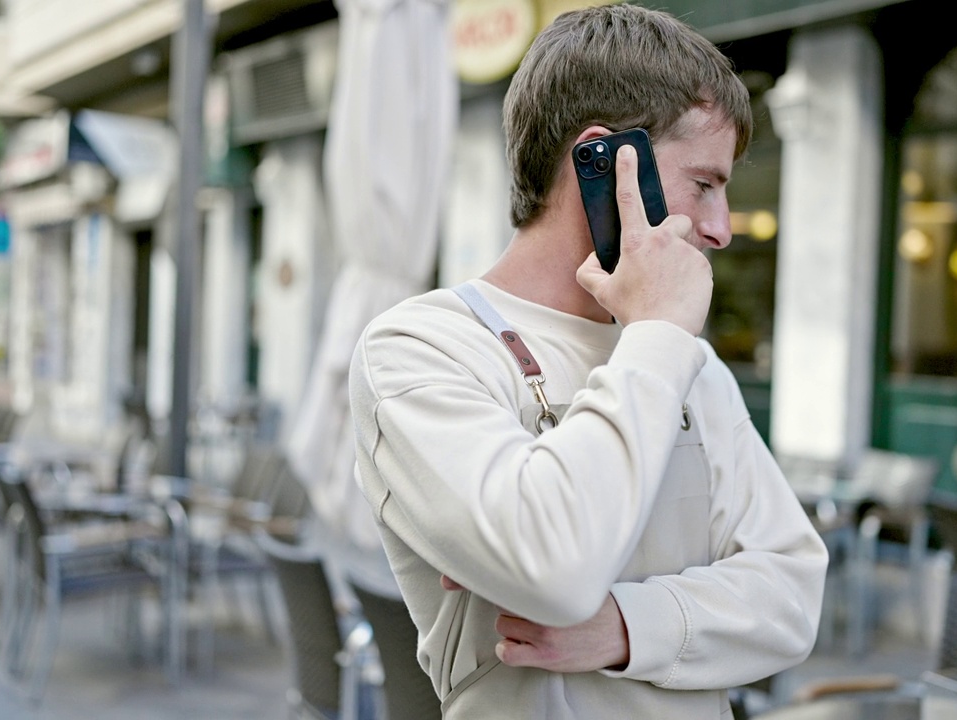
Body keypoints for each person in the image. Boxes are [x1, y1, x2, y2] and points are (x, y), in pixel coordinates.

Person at [346, 5, 828, 718]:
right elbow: (553, 568)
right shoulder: (421, 349)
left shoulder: (687, 361)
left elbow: (792, 594)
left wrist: (625, 627)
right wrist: (659, 333)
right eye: (704, 185)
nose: (725, 229)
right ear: (603, 163)